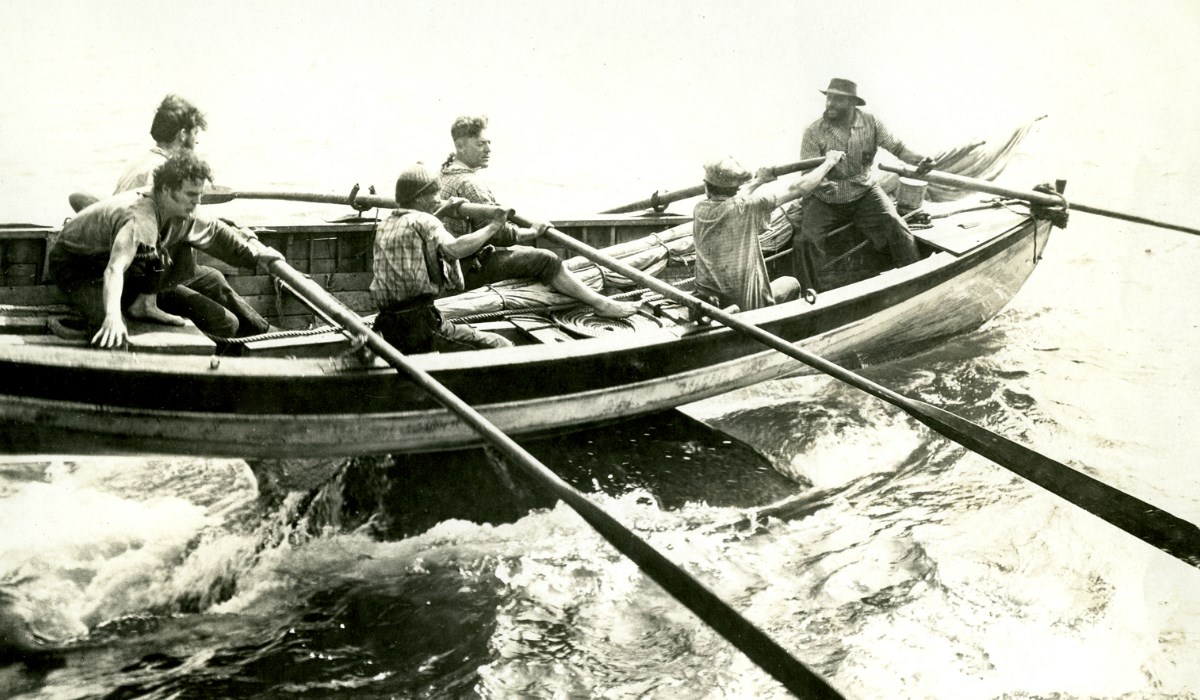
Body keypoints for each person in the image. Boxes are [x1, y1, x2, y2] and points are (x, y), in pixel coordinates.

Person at [48, 152, 285, 349]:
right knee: (113, 334)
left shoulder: (184, 211)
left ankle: (144, 305)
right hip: (80, 268)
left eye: (200, 194)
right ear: (166, 190)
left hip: (133, 269)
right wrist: (111, 315)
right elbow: (114, 269)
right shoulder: (141, 218)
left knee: (216, 292)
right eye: (191, 195)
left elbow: (218, 236)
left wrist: (257, 257)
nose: (197, 201)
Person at [439, 115, 639, 319]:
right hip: (466, 270)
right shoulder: (470, 183)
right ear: (460, 146)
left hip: (449, 264)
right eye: (481, 144)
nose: (488, 149)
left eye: (489, 143)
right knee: (546, 258)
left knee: (523, 252)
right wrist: (534, 231)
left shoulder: (445, 173)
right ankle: (601, 304)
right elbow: (498, 235)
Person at [110, 94, 272, 337]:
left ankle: (266, 334)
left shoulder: (145, 161)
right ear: (183, 134)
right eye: (195, 136)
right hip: (141, 283)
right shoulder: (159, 172)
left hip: (156, 267)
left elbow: (191, 218)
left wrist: (233, 230)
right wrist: (250, 249)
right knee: (226, 322)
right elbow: (199, 227)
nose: (196, 144)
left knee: (213, 278)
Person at [796, 78, 936, 291]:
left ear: (852, 103)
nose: (830, 104)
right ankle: (811, 296)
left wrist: (921, 160)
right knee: (805, 241)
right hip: (825, 200)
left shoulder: (871, 123)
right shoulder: (814, 131)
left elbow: (898, 148)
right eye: (829, 98)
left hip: (864, 192)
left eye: (838, 99)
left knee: (895, 225)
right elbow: (807, 172)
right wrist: (822, 184)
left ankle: (916, 282)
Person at [371, 163, 513, 353]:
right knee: (501, 345)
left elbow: (421, 232)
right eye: (435, 194)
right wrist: (494, 226)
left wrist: (443, 212)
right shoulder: (426, 221)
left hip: (387, 323)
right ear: (421, 197)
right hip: (419, 324)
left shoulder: (388, 223)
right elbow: (456, 250)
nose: (438, 200)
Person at [694, 151, 844, 312]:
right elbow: (797, 189)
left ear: (707, 188)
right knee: (791, 283)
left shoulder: (700, 209)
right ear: (735, 188)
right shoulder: (748, 207)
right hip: (748, 306)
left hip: (713, 301)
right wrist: (829, 162)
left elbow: (734, 200)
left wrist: (759, 181)